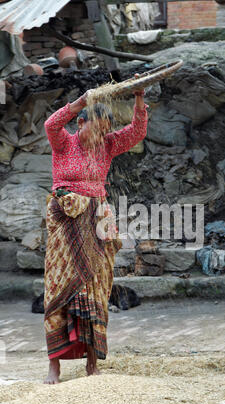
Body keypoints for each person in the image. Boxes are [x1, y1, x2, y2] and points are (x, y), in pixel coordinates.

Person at [43, 79, 148, 384]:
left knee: (96, 287)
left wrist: (139, 101)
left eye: (105, 130)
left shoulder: (107, 145)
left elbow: (136, 132)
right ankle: (55, 366)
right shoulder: (64, 143)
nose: (101, 135)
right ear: (80, 123)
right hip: (66, 221)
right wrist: (81, 101)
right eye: (96, 128)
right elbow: (51, 124)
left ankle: (92, 363)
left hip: (97, 219)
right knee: (60, 285)